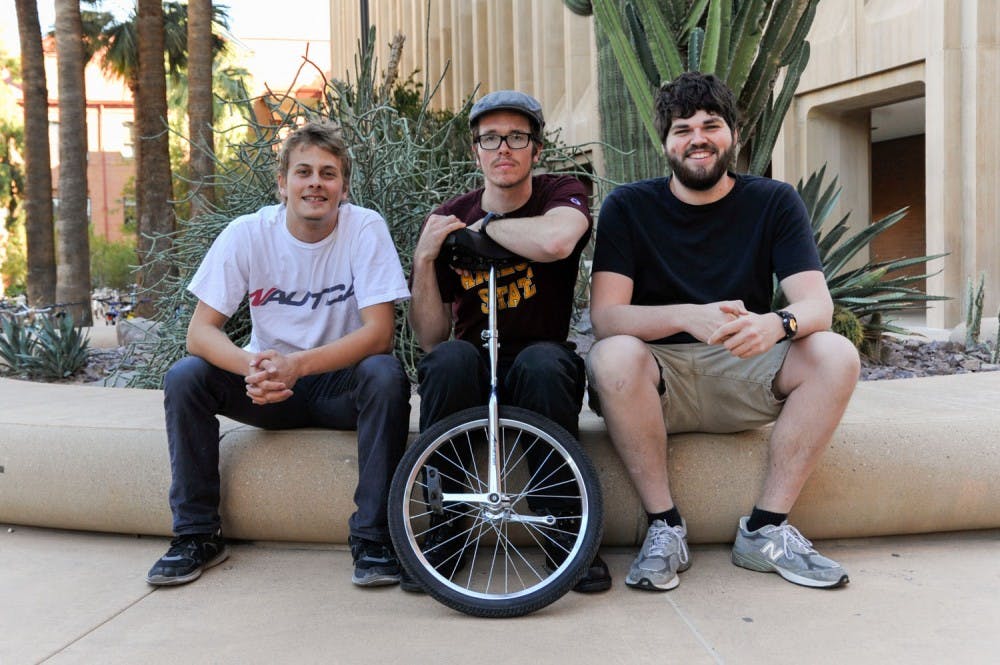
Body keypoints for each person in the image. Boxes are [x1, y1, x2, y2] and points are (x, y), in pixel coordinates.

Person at [586, 72, 860, 592]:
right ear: (664, 142)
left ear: (734, 133)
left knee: (835, 354)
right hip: (658, 378)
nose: (697, 138)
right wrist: (688, 315)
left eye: (711, 125)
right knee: (613, 355)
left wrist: (776, 325)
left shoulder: (773, 202)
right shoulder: (629, 206)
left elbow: (816, 304)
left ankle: (766, 530)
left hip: (744, 370)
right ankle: (664, 526)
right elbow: (607, 318)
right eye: (682, 128)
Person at [145, 121, 412, 588]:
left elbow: (379, 334)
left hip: (337, 386)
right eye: (303, 172)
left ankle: (373, 539)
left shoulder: (364, 227)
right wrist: (254, 369)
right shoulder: (247, 233)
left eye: (328, 174)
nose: (315, 183)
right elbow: (200, 334)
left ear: (343, 187)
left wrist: (298, 366)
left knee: (386, 374)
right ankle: (196, 535)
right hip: (267, 388)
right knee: (187, 377)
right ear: (282, 183)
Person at [407, 90, 611, 593]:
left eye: (517, 138)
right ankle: (449, 523)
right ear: (475, 149)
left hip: (536, 361)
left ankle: (567, 529)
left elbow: (557, 241)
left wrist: (486, 229)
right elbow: (430, 336)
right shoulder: (449, 214)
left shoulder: (560, 192)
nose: (504, 149)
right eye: (491, 138)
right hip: (474, 361)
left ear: (536, 150)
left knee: (545, 363)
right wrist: (424, 260)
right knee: (449, 360)